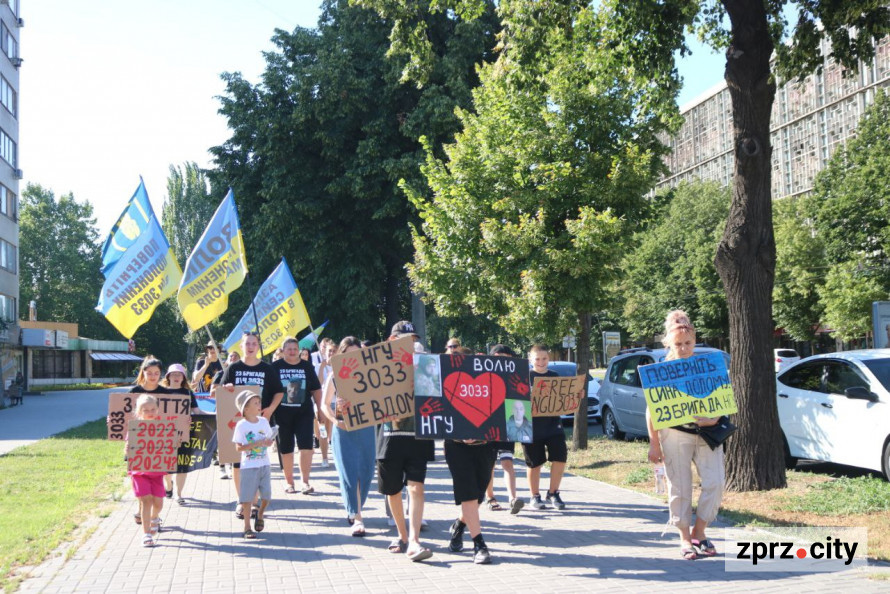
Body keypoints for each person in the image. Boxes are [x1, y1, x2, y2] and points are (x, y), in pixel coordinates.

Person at [646, 310, 725, 560]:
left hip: (707, 433)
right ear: (668, 342)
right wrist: (654, 443)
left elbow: (723, 398)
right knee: (679, 487)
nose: (684, 348)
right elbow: (651, 411)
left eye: (688, 343)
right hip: (674, 435)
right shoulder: (660, 372)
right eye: (678, 344)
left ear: (695, 340)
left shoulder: (708, 366)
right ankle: (684, 538)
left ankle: (699, 532)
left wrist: (715, 418)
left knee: (715, 482)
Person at [375, 325, 435, 562]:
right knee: (393, 490)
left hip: (418, 437)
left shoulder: (425, 367)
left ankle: (414, 539)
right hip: (389, 439)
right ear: (392, 340)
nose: (410, 344)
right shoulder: (377, 367)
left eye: (413, 340)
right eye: (405, 340)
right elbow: (364, 400)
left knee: (416, 487)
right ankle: (401, 535)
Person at [217, 332, 284, 519]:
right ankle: (242, 501)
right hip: (237, 423)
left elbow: (279, 392)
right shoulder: (233, 368)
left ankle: (253, 503)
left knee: (255, 461)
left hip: (259, 423)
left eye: (254, 343)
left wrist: (270, 409)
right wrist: (226, 387)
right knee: (238, 463)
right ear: (241, 346)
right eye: (247, 343)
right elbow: (220, 390)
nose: (251, 346)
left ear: (258, 346)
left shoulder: (267, 369)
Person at [320, 336, 376, 536]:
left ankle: (355, 508)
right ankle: (357, 517)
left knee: (367, 472)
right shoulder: (334, 376)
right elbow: (324, 405)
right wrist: (336, 420)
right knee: (349, 474)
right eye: (349, 354)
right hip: (344, 430)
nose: (354, 358)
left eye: (357, 353)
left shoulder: (370, 374)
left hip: (367, 429)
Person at [272, 336, 323, 495]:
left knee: (306, 447)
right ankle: (289, 482)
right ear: (283, 351)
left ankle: (305, 482)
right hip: (282, 415)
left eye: (295, 349)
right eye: (289, 349)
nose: (293, 352)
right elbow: (269, 390)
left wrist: (320, 410)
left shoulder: (307, 366)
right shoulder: (275, 367)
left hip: (304, 413)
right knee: (286, 448)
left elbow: (316, 389)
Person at [524, 344, 568, 510]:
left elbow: (563, 400)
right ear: (531, 359)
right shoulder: (524, 377)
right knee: (534, 463)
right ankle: (534, 496)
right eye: (537, 359)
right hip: (530, 426)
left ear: (549, 359)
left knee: (560, 456)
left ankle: (553, 493)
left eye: (544, 358)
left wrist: (576, 395)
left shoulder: (555, 376)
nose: (541, 362)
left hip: (553, 425)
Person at [127, 357, 170, 526]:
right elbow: (123, 416)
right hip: (137, 444)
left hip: (158, 446)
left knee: (154, 480)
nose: (153, 376)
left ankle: (150, 513)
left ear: (161, 374)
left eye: (156, 373)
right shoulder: (134, 391)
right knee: (141, 477)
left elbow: (175, 416)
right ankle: (142, 509)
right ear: (143, 372)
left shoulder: (166, 393)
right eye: (149, 372)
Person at [484, 344, 524, 514]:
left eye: (506, 358)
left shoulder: (516, 377)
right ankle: (490, 496)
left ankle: (512, 498)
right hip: (487, 424)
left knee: (507, 462)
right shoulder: (484, 376)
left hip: (507, 423)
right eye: (498, 357)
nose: (501, 362)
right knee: (489, 464)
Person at [232, 390, 275, 539]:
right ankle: (247, 527)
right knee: (247, 499)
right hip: (249, 466)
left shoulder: (263, 422)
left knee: (267, 497)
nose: (259, 405)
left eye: (259, 402)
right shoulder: (241, 426)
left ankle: (260, 513)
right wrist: (255, 444)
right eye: (255, 403)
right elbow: (238, 447)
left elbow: (269, 439)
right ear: (246, 408)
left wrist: (269, 442)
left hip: (265, 464)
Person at [128, 394, 166, 547]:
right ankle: (146, 534)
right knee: (146, 501)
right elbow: (128, 446)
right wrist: (127, 450)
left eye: (153, 409)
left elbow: (169, 447)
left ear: (157, 410)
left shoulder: (163, 428)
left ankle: (155, 517)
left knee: (158, 503)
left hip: (156, 472)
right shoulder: (134, 428)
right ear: (139, 412)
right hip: (139, 471)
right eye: (145, 410)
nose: (150, 412)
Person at [161, 363, 199, 505]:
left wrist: (215, 417)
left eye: (179, 374)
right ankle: (169, 486)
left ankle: (179, 493)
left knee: (182, 465)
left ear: (183, 377)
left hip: (184, 434)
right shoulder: (161, 392)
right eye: (174, 374)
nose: (176, 377)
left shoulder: (188, 393)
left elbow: (197, 412)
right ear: (168, 376)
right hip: (165, 435)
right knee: (167, 467)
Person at [313, 337, 335, 467]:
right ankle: (324, 457)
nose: (331, 354)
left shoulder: (339, 364)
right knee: (322, 430)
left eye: (333, 351)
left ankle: (329, 447)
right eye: (329, 351)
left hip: (334, 403)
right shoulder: (318, 366)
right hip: (321, 403)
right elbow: (319, 383)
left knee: (329, 430)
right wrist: (322, 367)